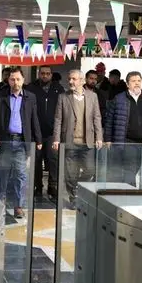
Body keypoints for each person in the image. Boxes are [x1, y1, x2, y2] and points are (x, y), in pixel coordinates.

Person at [0, 67, 42, 218]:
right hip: (4, 141)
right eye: (12, 79)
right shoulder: (0, 96)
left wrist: (38, 139)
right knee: (2, 174)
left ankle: (18, 205)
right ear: (8, 80)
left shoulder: (30, 97)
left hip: (21, 142)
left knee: (20, 175)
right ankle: (1, 202)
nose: (15, 82)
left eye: (18, 79)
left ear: (23, 80)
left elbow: (34, 118)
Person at [104, 71, 142, 186]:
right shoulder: (119, 99)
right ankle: (130, 191)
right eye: (133, 81)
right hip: (126, 141)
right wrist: (107, 139)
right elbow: (109, 120)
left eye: (139, 81)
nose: (137, 83)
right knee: (130, 167)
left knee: (136, 166)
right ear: (127, 84)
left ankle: (124, 188)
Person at [53, 70, 103, 206]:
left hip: (87, 142)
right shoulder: (63, 97)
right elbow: (58, 119)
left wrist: (99, 137)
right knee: (70, 173)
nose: (70, 81)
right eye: (69, 79)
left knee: (90, 170)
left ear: (82, 81)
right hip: (70, 141)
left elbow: (97, 118)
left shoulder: (93, 96)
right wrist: (56, 139)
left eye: (74, 79)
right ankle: (74, 197)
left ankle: (78, 187)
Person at [26, 65, 64, 199]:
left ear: (51, 75)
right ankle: (38, 186)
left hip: (52, 132)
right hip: (35, 131)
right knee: (36, 160)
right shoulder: (31, 88)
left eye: (48, 73)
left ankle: (52, 186)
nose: (45, 76)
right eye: (42, 73)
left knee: (53, 160)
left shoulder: (58, 89)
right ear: (38, 74)